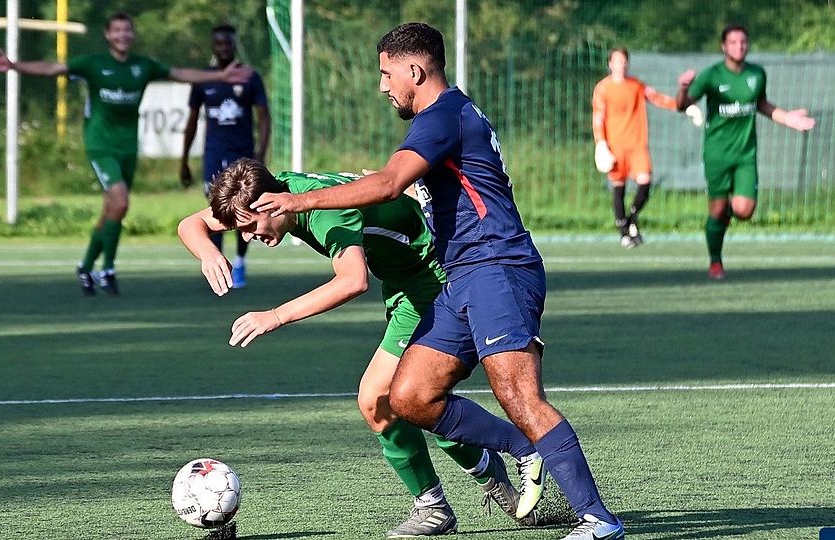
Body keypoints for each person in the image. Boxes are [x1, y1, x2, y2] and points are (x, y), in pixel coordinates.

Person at [250, 23, 624, 540]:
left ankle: (599, 520)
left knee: (519, 395)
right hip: (461, 276)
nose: (383, 86)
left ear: (414, 70)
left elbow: (386, 184)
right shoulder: (445, 116)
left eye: (386, 73)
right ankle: (521, 451)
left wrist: (299, 200)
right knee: (409, 396)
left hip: (498, 266)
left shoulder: (442, 116)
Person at [177, 158, 543, 537]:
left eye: (251, 226)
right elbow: (191, 224)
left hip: (436, 280)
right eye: (240, 229)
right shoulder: (273, 189)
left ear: (272, 204)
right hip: (405, 284)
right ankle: (477, 475)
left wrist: (276, 315)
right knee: (410, 400)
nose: (248, 235)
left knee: (380, 397)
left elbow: (353, 280)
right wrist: (208, 252)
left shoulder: (327, 216)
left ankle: (453, 491)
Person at [0, 12, 252, 296]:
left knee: (112, 209)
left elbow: (181, 74)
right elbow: (52, 68)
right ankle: (108, 269)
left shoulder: (142, 66)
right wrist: (15, 66)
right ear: (108, 35)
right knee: (120, 202)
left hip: (127, 148)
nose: (122, 35)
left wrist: (220, 75)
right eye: (117, 30)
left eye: (127, 30)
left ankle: (86, 266)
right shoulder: (93, 64)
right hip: (101, 146)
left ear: (132, 35)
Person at [675, 24, 815, 279]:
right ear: (723, 46)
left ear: (747, 45)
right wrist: (684, 88)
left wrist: (787, 118)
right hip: (717, 154)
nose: (739, 46)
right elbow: (681, 105)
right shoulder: (711, 75)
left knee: (744, 211)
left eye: (743, 42)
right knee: (717, 211)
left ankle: (725, 217)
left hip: (745, 154)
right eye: (733, 42)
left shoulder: (757, 74)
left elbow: (761, 104)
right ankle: (715, 261)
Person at [180, 24, 271, 289]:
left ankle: (240, 262)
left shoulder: (249, 77)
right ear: (213, 46)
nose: (223, 48)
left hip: (241, 156)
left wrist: (260, 154)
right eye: (218, 43)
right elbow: (192, 120)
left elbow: (264, 118)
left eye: (227, 43)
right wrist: (184, 159)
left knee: (247, 208)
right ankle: (218, 264)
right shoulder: (205, 79)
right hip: (213, 155)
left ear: (234, 44)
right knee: (216, 207)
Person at [592, 47, 703, 248]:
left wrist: (684, 107)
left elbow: (658, 98)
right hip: (615, 146)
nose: (621, 65)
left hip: (636, 145)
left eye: (624, 61)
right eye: (617, 61)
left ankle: (632, 218)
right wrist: (600, 143)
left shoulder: (637, 85)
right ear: (610, 64)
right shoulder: (602, 89)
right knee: (618, 188)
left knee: (645, 181)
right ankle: (624, 232)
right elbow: (598, 117)